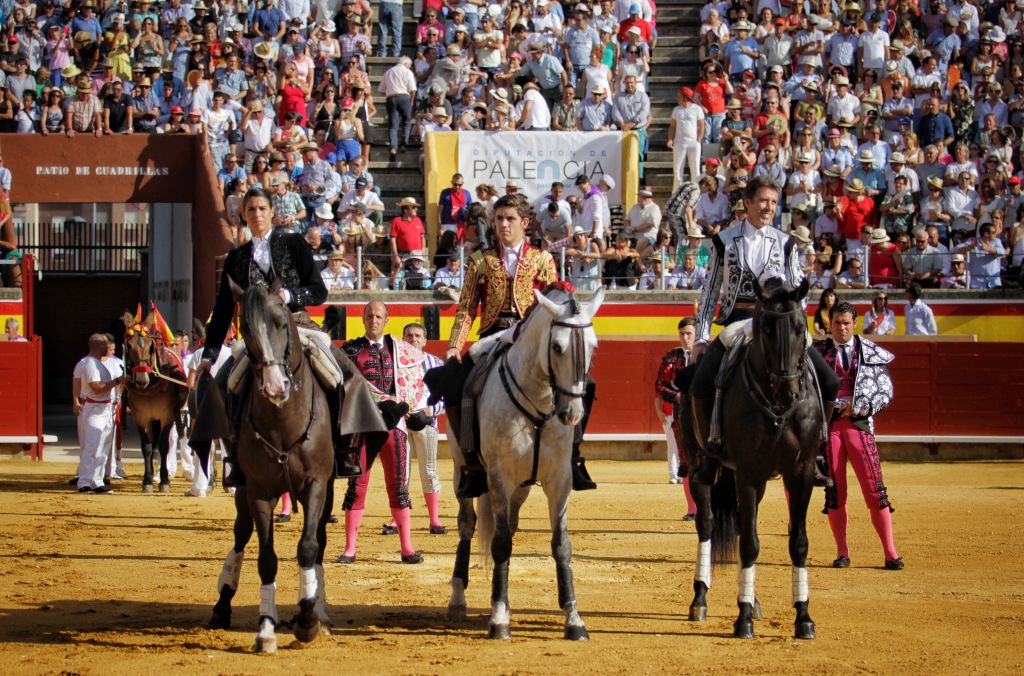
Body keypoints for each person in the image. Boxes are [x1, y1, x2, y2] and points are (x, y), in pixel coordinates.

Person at [190, 187, 386, 488]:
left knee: (346, 376)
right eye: (251, 209)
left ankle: (342, 447)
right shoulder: (236, 258)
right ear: (243, 215)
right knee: (223, 386)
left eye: (262, 208)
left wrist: (290, 295)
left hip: (298, 325)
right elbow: (223, 310)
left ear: (272, 212)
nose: (257, 214)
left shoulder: (294, 243)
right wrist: (209, 354)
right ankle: (236, 457)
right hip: (257, 336)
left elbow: (318, 290)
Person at [441, 193, 596, 498]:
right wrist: (455, 345)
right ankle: (472, 464)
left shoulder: (542, 259)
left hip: (530, 339)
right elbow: (467, 307)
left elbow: (554, 305)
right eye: (499, 218)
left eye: (510, 219)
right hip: (492, 336)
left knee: (584, 384)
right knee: (461, 386)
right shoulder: (480, 260)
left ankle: (572, 455)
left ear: (524, 223)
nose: (503, 224)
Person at [690, 176, 840, 485]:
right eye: (762, 200)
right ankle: (711, 453)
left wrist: (791, 319)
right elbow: (710, 291)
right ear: (747, 202)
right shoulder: (723, 241)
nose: (768, 207)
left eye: (773, 202)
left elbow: (800, 289)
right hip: (737, 320)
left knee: (829, 381)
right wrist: (702, 338)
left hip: (778, 322)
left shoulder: (785, 242)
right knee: (701, 381)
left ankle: (814, 451)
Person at [814, 300, 903, 571]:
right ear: (830, 324)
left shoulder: (870, 351)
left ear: (854, 324)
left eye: (846, 323)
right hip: (830, 427)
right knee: (835, 492)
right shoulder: (816, 353)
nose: (841, 328)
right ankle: (842, 552)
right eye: (837, 323)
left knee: (875, 490)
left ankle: (890, 552)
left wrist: (859, 404)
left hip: (859, 424)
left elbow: (885, 390)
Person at [337, 301, 426, 565]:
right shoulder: (351, 350)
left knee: (398, 487)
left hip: (393, 426)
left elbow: (413, 383)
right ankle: (349, 549)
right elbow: (345, 385)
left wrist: (407, 405)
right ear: (363, 319)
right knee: (357, 485)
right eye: (369, 316)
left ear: (386, 320)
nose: (373, 320)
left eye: (378, 316)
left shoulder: (400, 349)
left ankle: (407, 548)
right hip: (363, 423)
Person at [401, 322, 448, 535]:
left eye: (417, 336)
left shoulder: (435, 364)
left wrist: (430, 410)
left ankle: (434, 518)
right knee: (401, 473)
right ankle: (397, 518)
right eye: (409, 336)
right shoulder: (395, 363)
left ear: (425, 340)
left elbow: (446, 396)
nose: (413, 339)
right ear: (403, 339)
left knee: (428, 471)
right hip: (401, 423)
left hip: (427, 423)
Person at [654, 318, 699, 520]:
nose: (685, 337)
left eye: (689, 333)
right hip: (681, 416)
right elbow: (659, 385)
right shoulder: (672, 357)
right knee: (686, 460)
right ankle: (693, 509)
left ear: (696, 334)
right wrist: (678, 397)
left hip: (707, 417)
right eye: (682, 333)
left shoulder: (707, 354)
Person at [77, 334, 122, 494]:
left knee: (103, 449)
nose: (108, 347)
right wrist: (118, 381)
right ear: (99, 347)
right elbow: (96, 388)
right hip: (94, 408)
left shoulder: (98, 363)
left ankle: (97, 480)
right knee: (92, 447)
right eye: (105, 345)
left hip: (106, 408)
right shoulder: (90, 363)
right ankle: (84, 482)